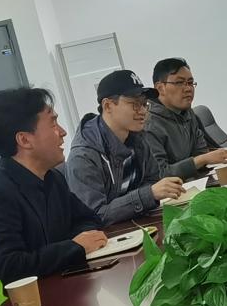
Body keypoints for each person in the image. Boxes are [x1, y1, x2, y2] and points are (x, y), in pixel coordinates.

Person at [0, 88, 107, 306]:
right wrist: (74, 247)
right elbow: (9, 269)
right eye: (53, 123)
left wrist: (82, 240)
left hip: (60, 294)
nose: (62, 132)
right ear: (24, 139)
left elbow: (88, 219)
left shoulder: (52, 178)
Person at [65, 70, 184, 225]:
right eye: (135, 104)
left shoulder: (138, 137)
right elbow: (95, 216)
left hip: (138, 223)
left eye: (144, 104)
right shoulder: (83, 157)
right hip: (111, 236)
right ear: (108, 105)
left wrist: (149, 194)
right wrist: (148, 195)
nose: (143, 111)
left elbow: (152, 178)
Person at [143, 59, 227, 179]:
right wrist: (202, 159)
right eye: (179, 83)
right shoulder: (148, 124)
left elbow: (200, 152)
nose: (188, 89)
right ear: (160, 88)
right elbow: (160, 174)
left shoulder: (188, 113)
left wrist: (204, 159)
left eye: (190, 83)